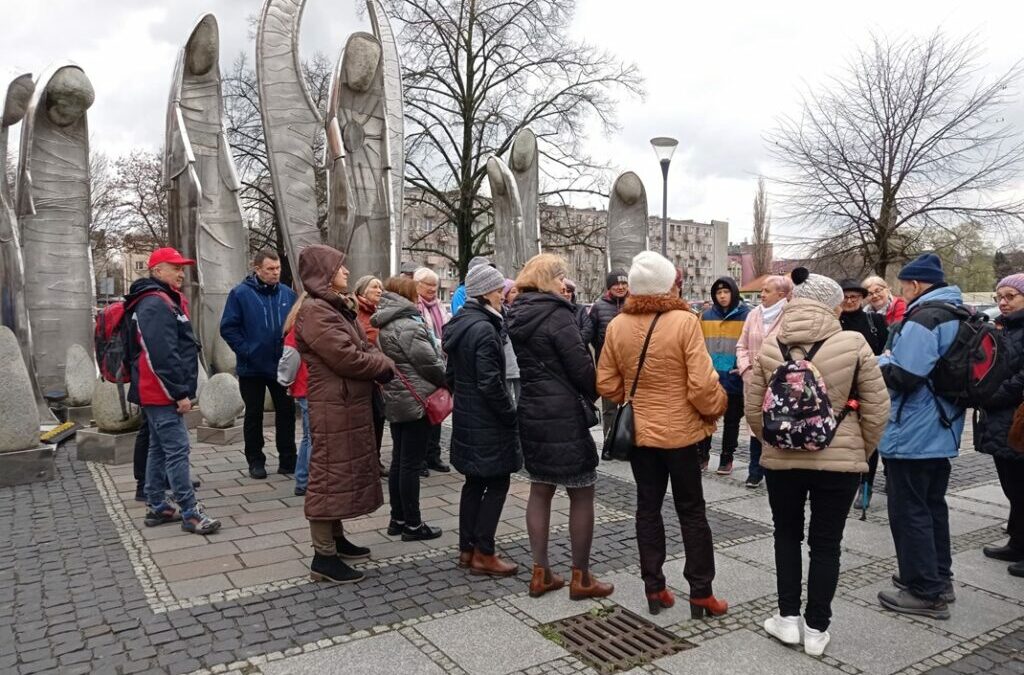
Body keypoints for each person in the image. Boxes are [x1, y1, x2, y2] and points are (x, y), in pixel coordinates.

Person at [744, 268, 889, 657]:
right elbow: (877, 408)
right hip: (838, 463)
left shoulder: (772, 344)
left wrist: (772, 442)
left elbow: (753, 407)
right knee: (827, 544)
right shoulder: (854, 343)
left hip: (782, 461)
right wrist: (860, 449)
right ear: (834, 304)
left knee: (786, 536)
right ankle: (816, 629)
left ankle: (787, 619)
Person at [597, 251, 730, 618]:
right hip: (682, 435)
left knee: (647, 510)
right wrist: (717, 406)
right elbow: (703, 386)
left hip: (641, 435)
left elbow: (606, 382)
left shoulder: (617, 326)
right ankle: (702, 593)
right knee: (692, 512)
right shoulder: (684, 321)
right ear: (668, 283)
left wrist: (634, 397)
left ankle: (654, 589)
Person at [508, 253, 613, 600]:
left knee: (540, 490)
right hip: (564, 413)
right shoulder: (558, 315)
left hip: (533, 409)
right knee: (582, 491)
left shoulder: (517, 313)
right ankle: (581, 577)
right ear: (547, 280)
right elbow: (582, 369)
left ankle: (540, 573)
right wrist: (595, 387)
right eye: (561, 277)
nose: (565, 284)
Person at [294, 245, 394, 584]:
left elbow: (363, 346)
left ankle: (335, 540)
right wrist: (384, 365)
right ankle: (323, 557)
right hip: (332, 407)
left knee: (337, 474)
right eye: (340, 267)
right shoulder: (317, 312)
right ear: (324, 273)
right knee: (327, 477)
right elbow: (349, 357)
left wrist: (376, 359)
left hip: (344, 404)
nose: (347, 272)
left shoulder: (334, 308)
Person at [876, 253, 964, 619]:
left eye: (904, 285)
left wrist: (879, 359)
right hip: (942, 426)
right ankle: (936, 577)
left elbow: (903, 375)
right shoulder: (957, 312)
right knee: (931, 506)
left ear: (915, 284)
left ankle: (925, 592)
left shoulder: (924, 318)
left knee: (909, 509)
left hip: (912, 430)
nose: (902, 291)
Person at [127, 247, 220, 535]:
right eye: (175, 267)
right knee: (178, 450)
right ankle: (190, 513)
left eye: (182, 268)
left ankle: (157, 505)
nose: (181, 273)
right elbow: (160, 354)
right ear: (157, 271)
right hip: (161, 393)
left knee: (158, 447)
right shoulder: (155, 303)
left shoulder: (161, 299)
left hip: (155, 392)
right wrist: (179, 393)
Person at [443, 264, 522, 577]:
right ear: (488, 292)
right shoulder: (484, 328)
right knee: (498, 481)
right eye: (498, 290)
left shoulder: (462, 322)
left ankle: (467, 548)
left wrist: (465, 400)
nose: (502, 296)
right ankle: (484, 552)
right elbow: (491, 383)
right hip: (488, 419)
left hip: (467, 414)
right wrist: (509, 415)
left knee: (474, 482)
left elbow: (451, 374)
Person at [373, 276, 449, 542]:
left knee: (399, 460)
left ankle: (398, 518)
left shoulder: (386, 322)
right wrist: (447, 379)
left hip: (397, 398)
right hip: (417, 400)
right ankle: (413, 524)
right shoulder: (407, 324)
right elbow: (429, 363)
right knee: (410, 464)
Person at [220, 249, 298, 479]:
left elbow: (294, 325)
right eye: (270, 269)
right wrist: (246, 350)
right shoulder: (240, 294)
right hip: (251, 367)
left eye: (278, 269)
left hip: (281, 365)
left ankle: (288, 459)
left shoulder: (287, 294)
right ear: (257, 269)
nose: (275, 273)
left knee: (286, 412)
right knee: (253, 415)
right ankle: (255, 460)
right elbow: (228, 328)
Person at [974, 274, 1024, 577]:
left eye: (1010, 296)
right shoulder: (1005, 329)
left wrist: (990, 394)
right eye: (999, 297)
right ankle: (1017, 542)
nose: (1003, 302)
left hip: (1016, 417)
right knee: (1013, 488)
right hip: (1001, 420)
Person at [735, 275, 792, 488]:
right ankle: (754, 470)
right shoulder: (753, 314)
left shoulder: (790, 315)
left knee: (779, 423)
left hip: (780, 382)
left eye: (767, 291)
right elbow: (741, 345)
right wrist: (745, 369)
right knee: (754, 422)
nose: (762, 294)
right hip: (753, 380)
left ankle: (778, 471)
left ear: (781, 294)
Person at [838, 279, 889, 510]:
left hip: (867, 386)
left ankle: (865, 486)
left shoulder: (875, 320)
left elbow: (887, 352)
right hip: (839, 388)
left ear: (862, 299)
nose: (849, 301)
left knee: (869, 437)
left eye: (854, 297)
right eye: (845, 297)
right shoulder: (832, 322)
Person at [698, 277, 749, 474]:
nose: (722, 296)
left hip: (734, 376)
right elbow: (698, 345)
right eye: (719, 293)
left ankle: (727, 457)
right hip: (711, 377)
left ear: (733, 293)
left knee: (732, 420)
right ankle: (702, 455)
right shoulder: (706, 316)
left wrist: (743, 366)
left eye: (726, 292)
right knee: (707, 419)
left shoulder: (747, 316)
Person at [582, 270, 629, 448]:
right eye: (616, 284)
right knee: (610, 408)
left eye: (624, 283)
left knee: (634, 405)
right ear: (609, 286)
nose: (620, 287)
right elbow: (590, 334)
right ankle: (610, 443)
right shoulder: (599, 306)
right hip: (607, 365)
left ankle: (630, 442)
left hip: (632, 365)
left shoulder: (634, 303)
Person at [414, 266, 451, 475]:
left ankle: (433, 455)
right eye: (428, 284)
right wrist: (441, 344)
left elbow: (447, 326)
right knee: (422, 414)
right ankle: (419, 459)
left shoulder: (438, 305)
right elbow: (423, 335)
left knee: (438, 410)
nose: (432, 289)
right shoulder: (414, 305)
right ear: (417, 285)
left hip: (440, 362)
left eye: (434, 285)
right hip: (423, 365)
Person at [279, 293, 311, 497]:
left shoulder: (298, 329)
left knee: (309, 437)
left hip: (306, 387)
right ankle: (307, 480)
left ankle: (303, 480)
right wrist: (285, 380)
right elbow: (289, 359)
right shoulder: (300, 330)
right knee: (313, 438)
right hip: (309, 388)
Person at [355, 275, 388, 476]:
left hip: (378, 373)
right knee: (368, 419)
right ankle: (367, 462)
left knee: (379, 417)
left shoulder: (379, 313)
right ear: (362, 290)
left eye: (381, 287)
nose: (379, 290)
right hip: (364, 373)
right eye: (375, 287)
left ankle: (374, 460)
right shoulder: (356, 312)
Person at [502, 279, 521, 406]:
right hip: (507, 356)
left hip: (519, 358)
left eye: (518, 291)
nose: (517, 294)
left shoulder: (523, 309)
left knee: (522, 394)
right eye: (513, 292)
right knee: (507, 393)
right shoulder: (502, 312)